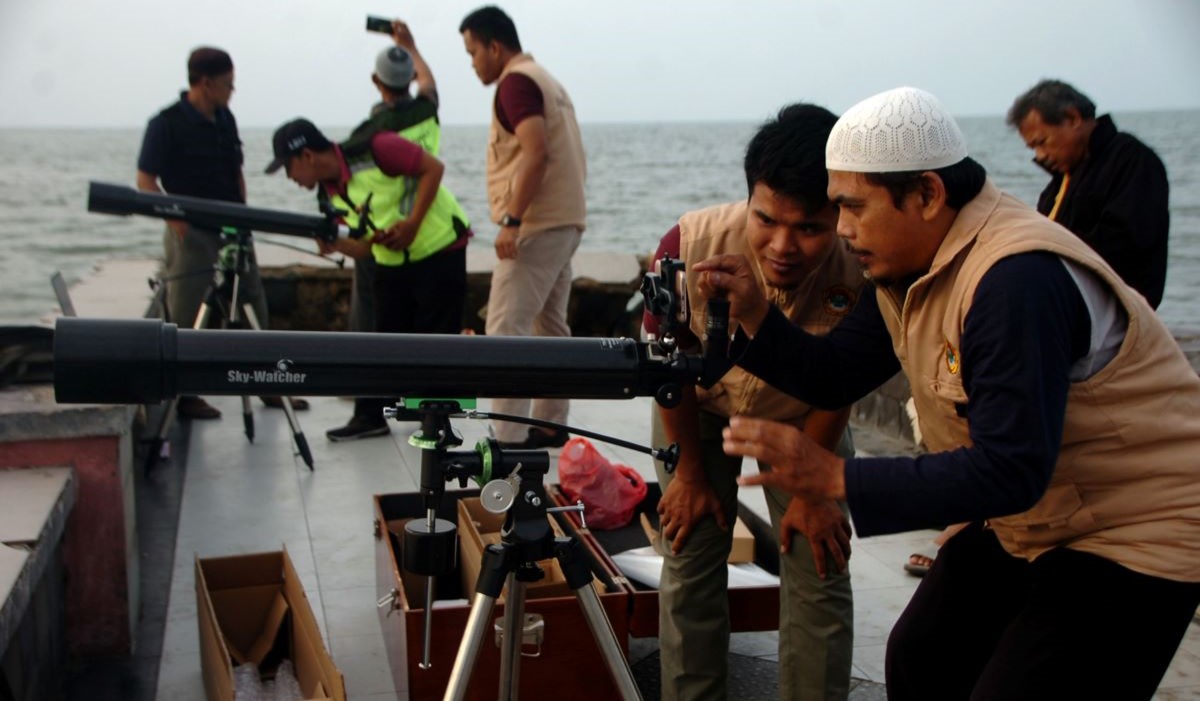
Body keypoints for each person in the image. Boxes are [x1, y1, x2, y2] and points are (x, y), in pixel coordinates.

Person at [696, 87, 1200, 700]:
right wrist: (754, 315)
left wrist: (837, 480)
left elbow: (1012, 467)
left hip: (1139, 527)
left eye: (853, 208)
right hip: (1039, 515)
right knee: (922, 658)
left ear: (928, 194)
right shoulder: (909, 262)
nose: (843, 231)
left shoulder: (1015, 281)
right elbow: (835, 372)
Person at [646, 104, 863, 701]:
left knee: (820, 564)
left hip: (806, 415)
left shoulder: (862, 262)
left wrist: (815, 488)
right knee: (689, 556)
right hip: (698, 408)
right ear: (749, 200)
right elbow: (669, 370)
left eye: (811, 228)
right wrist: (689, 472)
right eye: (765, 220)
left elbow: (841, 382)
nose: (783, 246)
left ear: (841, 213)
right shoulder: (688, 246)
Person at [266, 118, 471, 440]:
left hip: (440, 245)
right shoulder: (328, 195)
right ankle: (370, 416)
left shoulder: (378, 148)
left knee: (437, 341)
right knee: (380, 341)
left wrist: (413, 223)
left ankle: (435, 423)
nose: (290, 179)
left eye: (288, 168)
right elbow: (362, 248)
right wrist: (334, 244)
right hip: (392, 260)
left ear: (306, 156)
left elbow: (434, 168)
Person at [137, 46, 306, 419]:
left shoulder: (225, 118)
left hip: (234, 228)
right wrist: (176, 221)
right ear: (207, 83)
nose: (232, 91)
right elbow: (145, 181)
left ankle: (269, 385)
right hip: (192, 231)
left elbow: (237, 170)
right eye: (228, 84)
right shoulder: (165, 123)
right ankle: (185, 394)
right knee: (187, 311)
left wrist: (242, 214)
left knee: (253, 303)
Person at [459, 5, 587, 449]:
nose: (472, 62)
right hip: (567, 220)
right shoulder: (547, 80)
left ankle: (507, 436)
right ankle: (551, 424)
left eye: (473, 51)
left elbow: (536, 153)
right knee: (551, 328)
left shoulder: (516, 83)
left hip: (536, 224)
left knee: (505, 332)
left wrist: (511, 221)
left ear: (495, 47)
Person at [325, 18, 450, 441]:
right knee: (428, 332)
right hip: (425, 230)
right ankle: (420, 409)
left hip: (381, 236)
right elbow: (429, 84)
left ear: (376, 82)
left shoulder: (373, 133)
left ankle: (370, 411)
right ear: (408, 79)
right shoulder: (426, 112)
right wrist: (412, 47)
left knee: (371, 328)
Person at [1008, 79, 1170, 308]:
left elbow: (1124, 244)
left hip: (1118, 312)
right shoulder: (1058, 185)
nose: (1040, 155)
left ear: (1073, 118)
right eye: (1033, 148)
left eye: (1042, 142)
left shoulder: (1133, 160)